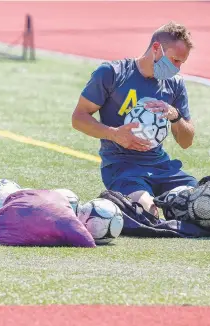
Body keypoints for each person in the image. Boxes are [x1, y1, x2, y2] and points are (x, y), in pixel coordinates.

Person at [72, 21, 197, 217]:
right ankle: (116, 203)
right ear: (156, 48)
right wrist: (113, 134)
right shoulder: (112, 73)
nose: (177, 68)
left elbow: (186, 142)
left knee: (202, 207)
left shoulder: (175, 85)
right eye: (174, 60)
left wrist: (175, 116)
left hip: (162, 167)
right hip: (123, 167)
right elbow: (78, 118)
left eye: (181, 63)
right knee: (148, 213)